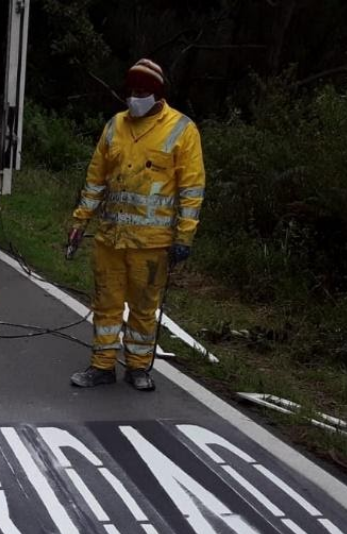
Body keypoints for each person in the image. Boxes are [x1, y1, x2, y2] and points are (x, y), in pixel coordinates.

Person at [68, 58, 206, 392]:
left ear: (157, 93)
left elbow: (191, 189)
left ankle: (138, 367)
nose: (135, 96)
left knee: (144, 310)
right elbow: (95, 181)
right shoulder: (115, 125)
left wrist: (184, 236)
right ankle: (101, 366)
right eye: (132, 90)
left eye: (143, 91)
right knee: (106, 305)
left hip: (152, 243)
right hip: (110, 239)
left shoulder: (182, 130)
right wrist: (79, 222)